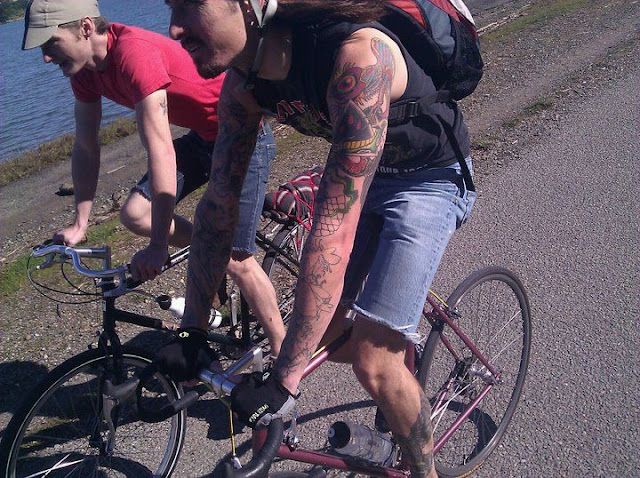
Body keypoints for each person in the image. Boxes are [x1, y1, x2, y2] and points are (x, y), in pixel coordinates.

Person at [157, 1, 477, 476]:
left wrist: (283, 383)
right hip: (369, 173)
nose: (174, 28)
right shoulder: (245, 83)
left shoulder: (358, 56)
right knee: (322, 336)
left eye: (191, 3)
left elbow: (333, 232)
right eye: (170, 6)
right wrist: (192, 331)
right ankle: (398, 387)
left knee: (373, 360)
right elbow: (218, 206)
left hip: (427, 179)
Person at [21, 0, 286, 356]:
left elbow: (160, 149)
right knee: (134, 214)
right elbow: (86, 146)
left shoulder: (134, 53)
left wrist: (159, 245)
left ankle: (286, 362)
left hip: (244, 135)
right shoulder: (84, 72)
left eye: (51, 43)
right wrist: (80, 223)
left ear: (85, 28)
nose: (45, 58)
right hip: (204, 137)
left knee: (237, 260)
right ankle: (211, 251)